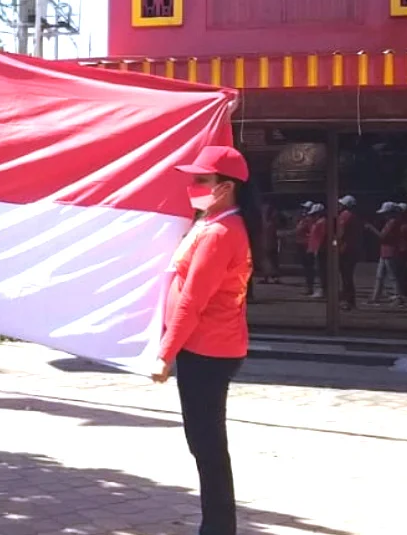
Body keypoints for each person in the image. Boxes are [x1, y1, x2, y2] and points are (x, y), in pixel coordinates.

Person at [151, 145, 256, 535]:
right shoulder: (211, 223)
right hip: (208, 347)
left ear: (225, 187)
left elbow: (194, 298)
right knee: (205, 443)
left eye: (201, 180)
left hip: (207, 350)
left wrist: (166, 354)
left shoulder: (220, 232)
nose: (192, 186)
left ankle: (217, 527)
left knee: (207, 445)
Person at [368, 202, 401, 305]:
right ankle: (375, 296)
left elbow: (382, 236)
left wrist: (371, 228)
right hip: (385, 251)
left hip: (390, 251)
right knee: (380, 275)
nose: (384, 215)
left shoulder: (392, 222)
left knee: (392, 275)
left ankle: (397, 296)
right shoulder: (391, 222)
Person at [336, 195, 361, 311]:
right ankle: (349, 300)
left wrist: (333, 245)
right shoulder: (354, 216)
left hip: (345, 249)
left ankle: (348, 301)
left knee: (346, 277)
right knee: (347, 276)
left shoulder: (345, 216)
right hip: (353, 249)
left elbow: (340, 234)